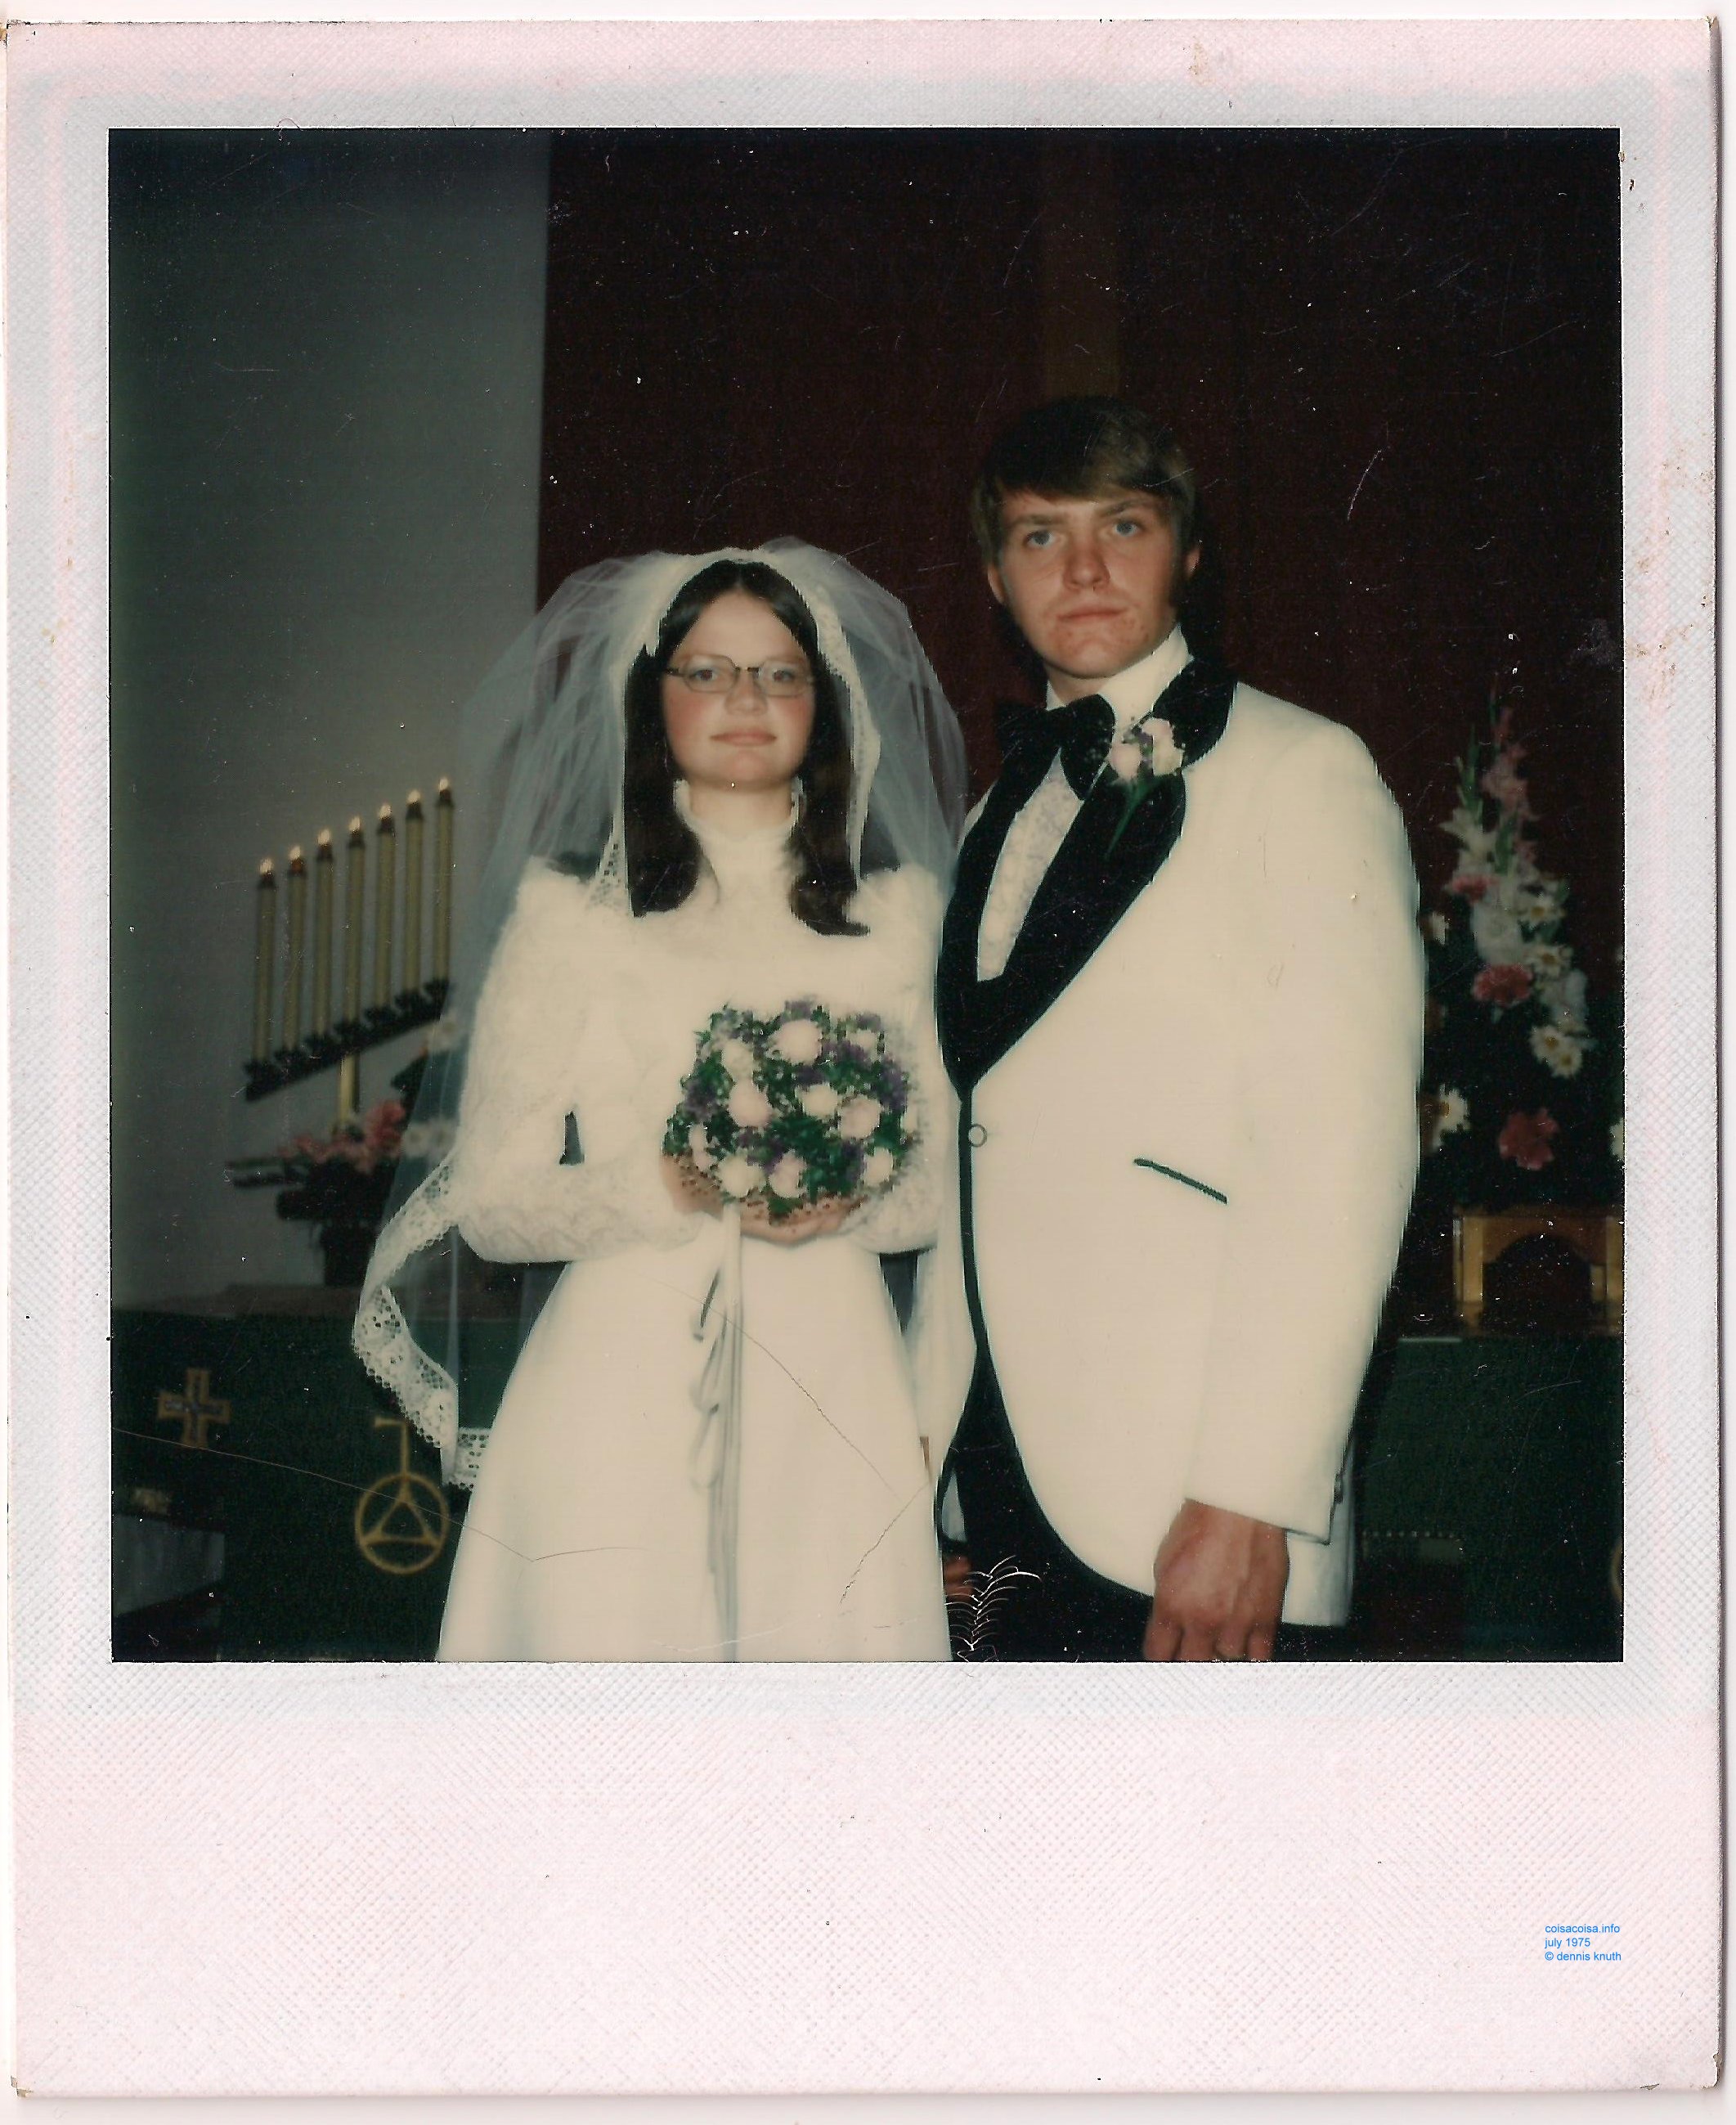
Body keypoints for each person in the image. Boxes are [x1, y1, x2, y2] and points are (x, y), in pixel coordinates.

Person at [354, 542, 968, 1660]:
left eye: (780, 674)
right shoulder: (571, 918)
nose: (746, 700)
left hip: (831, 1374)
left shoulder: (899, 912)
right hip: (619, 1377)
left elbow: (931, 1193)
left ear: (824, 704)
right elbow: (492, 1203)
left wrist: (838, 1197)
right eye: (708, 671)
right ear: (655, 698)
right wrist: (675, 1185)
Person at [922, 398, 1425, 1661]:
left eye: (1126, 527)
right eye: (1041, 536)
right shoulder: (992, 812)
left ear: (1188, 552)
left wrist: (1250, 1493)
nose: (1084, 569)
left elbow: (1340, 1158)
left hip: (1187, 1492)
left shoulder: (1303, 771)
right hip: (989, 1472)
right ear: (994, 576)